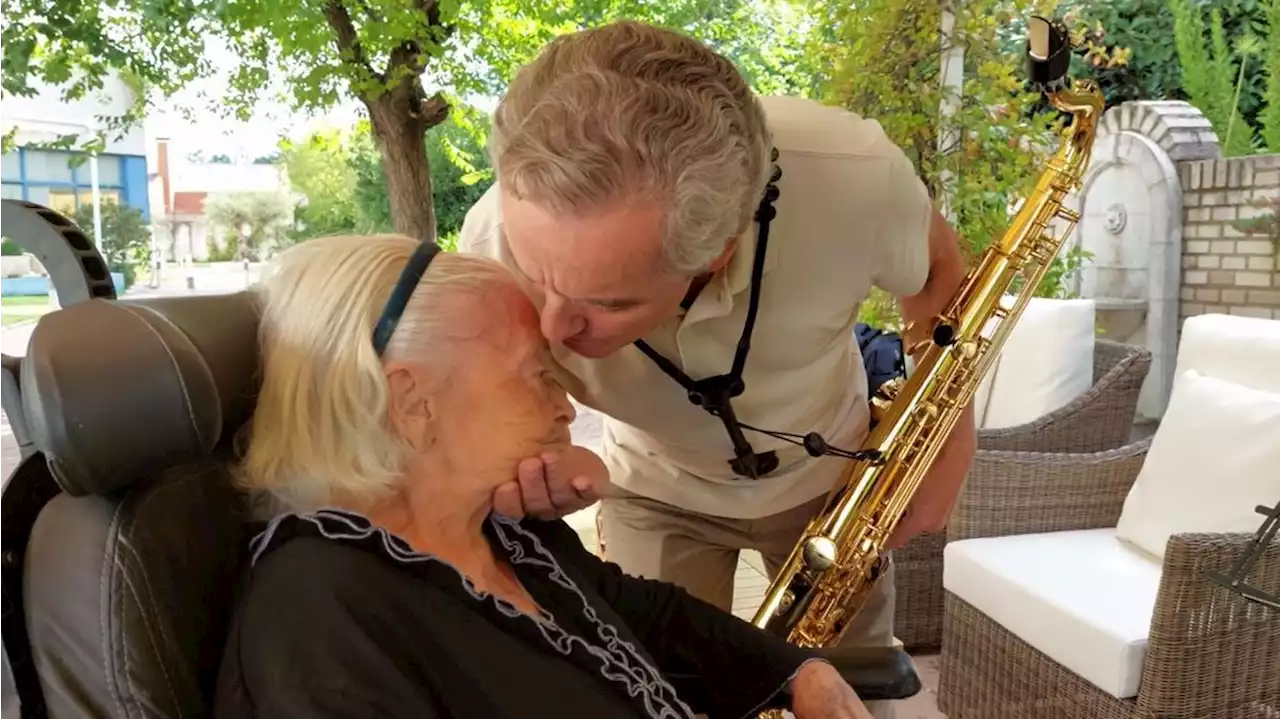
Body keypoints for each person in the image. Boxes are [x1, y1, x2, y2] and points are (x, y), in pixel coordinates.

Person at [457, 21, 978, 718]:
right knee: (655, 694)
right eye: (536, 276)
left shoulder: (853, 176)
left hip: (832, 482)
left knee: (860, 694)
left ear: (717, 252)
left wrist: (947, 439)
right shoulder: (492, 237)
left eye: (604, 301)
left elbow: (940, 273)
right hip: (652, 485)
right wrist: (532, 461)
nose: (553, 329)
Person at [213, 233, 876, 719]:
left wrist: (798, 671)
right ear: (413, 403)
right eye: (535, 374)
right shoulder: (321, 614)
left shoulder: (504, 534)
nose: (566, 405)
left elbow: (647, 615)